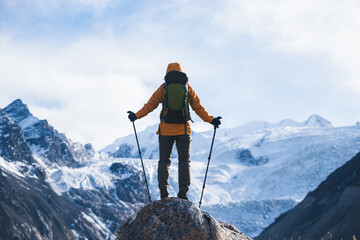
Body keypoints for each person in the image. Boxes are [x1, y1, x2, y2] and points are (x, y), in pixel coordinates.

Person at [128, 62, 221, 201]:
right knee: (184, 162)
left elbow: (150, 105)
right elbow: (198, 108)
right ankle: (183, 193)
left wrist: (136, 115)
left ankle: (163, 191)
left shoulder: (163, 88)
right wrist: (211, 120)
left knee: (164, 162)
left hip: (165, 130)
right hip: (184, 130)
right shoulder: (187, 88)